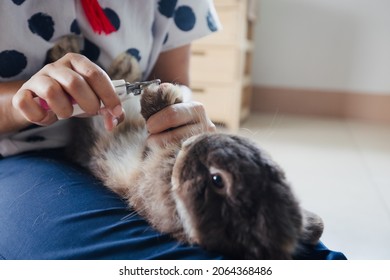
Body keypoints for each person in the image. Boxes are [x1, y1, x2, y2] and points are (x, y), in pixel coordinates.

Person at [0, 0, 346, 260]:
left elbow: (175, 80)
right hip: (20, 152)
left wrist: (178, 111)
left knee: (306, 255)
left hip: (140, 141)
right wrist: (23, 101)